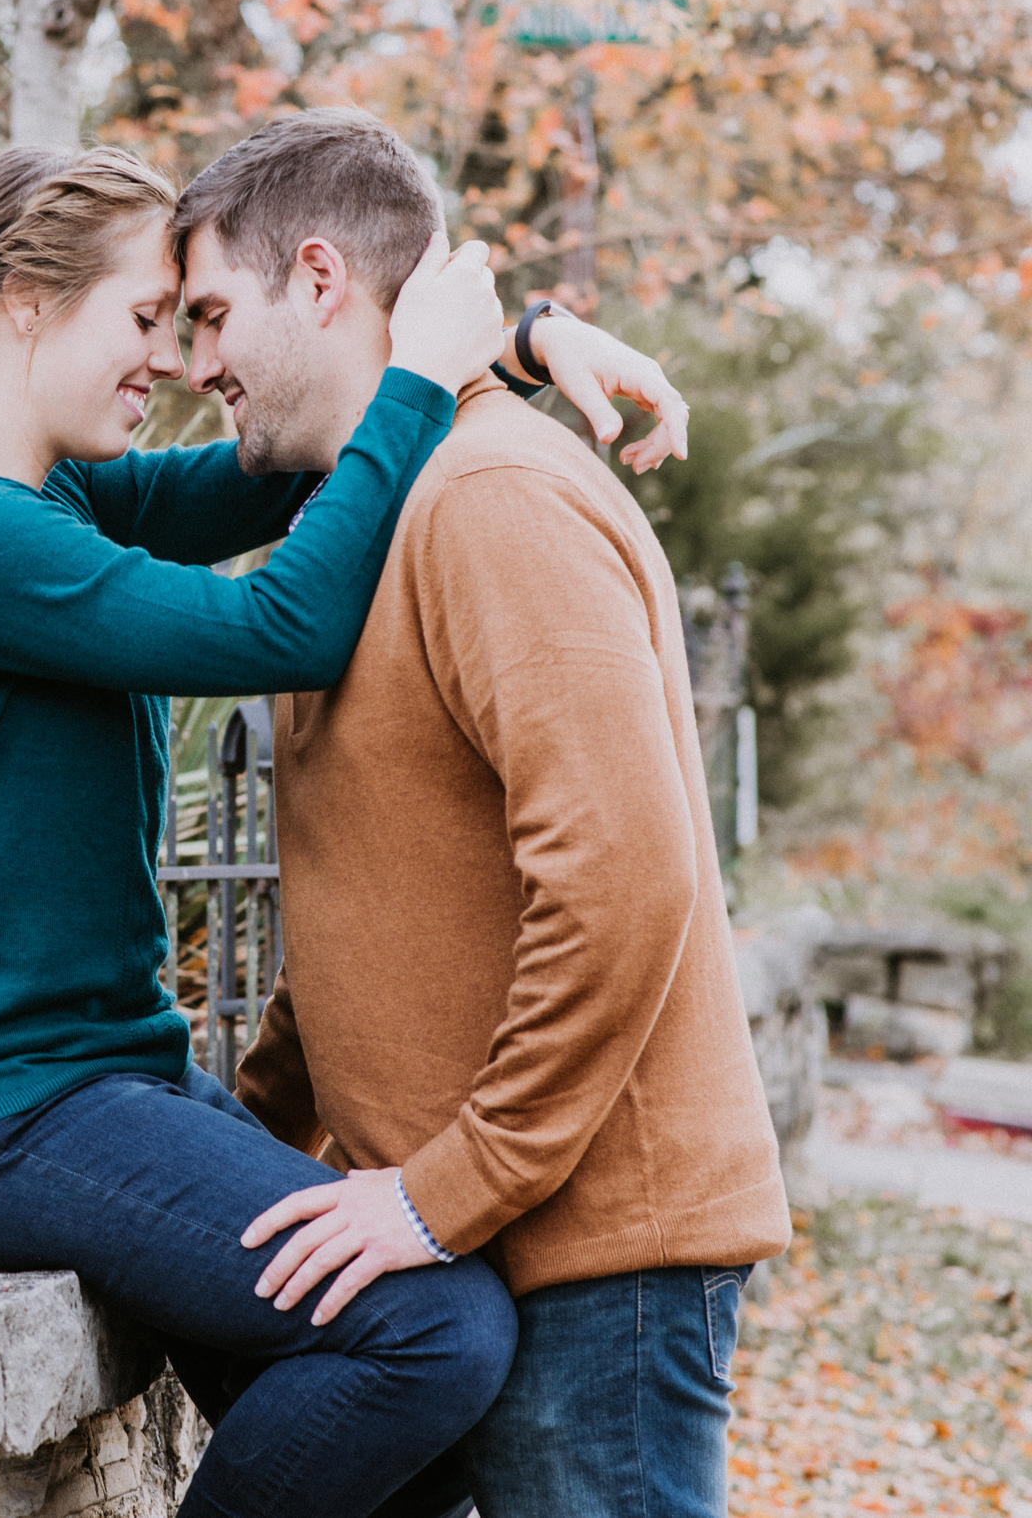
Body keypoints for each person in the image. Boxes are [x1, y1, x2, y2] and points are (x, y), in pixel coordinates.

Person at [0, 141, 689, 1518]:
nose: (167, 360)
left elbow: (303, 457)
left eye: (185, 322)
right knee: (430, 1329)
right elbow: (285, 618)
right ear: (31, 301)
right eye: (147, 318)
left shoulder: (59, 502)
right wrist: (419, 372)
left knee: (427, 1417)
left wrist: (509, 342)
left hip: (87, 1087)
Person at [180, 109, 790, 1517]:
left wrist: (442, 1187)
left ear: (321, 279)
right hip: (486, 1249)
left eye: (214, 312)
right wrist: (240, 1138)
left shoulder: (492, 496)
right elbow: (378, 909)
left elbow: (622, 882)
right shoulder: (372, 516)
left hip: (598, 1264)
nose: (196, 361)